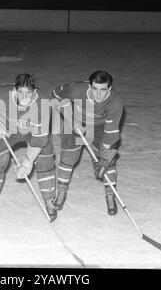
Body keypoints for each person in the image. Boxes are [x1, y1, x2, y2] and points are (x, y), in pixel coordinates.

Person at [0, 73, 57, 221]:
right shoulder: (3, 93)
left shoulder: (43, 101)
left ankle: (49, 200)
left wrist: (27, 162)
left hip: (33, 132)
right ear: (14, 89)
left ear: (34, 92)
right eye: (20, 92)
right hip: (7, 131)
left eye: (28, 93)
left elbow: (40, 139)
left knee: (44, 160)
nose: (24, 97)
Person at [51, 70, 124, 215]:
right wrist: (71, 120)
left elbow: (110, 133)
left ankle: (110, 197)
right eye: (95, 89)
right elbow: (56, 96)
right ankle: (61, 193)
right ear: (89, 87)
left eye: (103, 90)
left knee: (108, 161)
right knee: (68, 158)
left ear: (109, 89)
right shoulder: (76, 89)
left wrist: (104, 157)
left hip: (99, 126)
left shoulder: (116, 102)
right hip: (76, 120)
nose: (98, 94)